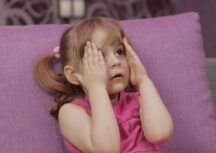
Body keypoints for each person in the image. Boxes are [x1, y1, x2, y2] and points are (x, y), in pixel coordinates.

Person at [33, 17, 173, 153]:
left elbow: (160, 134)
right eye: (100, 56)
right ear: (73, 76)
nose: (115, 61)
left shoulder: (136, 100)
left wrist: (143, 80)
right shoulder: (71, 112)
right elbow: (107, 149)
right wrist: (97, 88)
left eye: (119, 52)